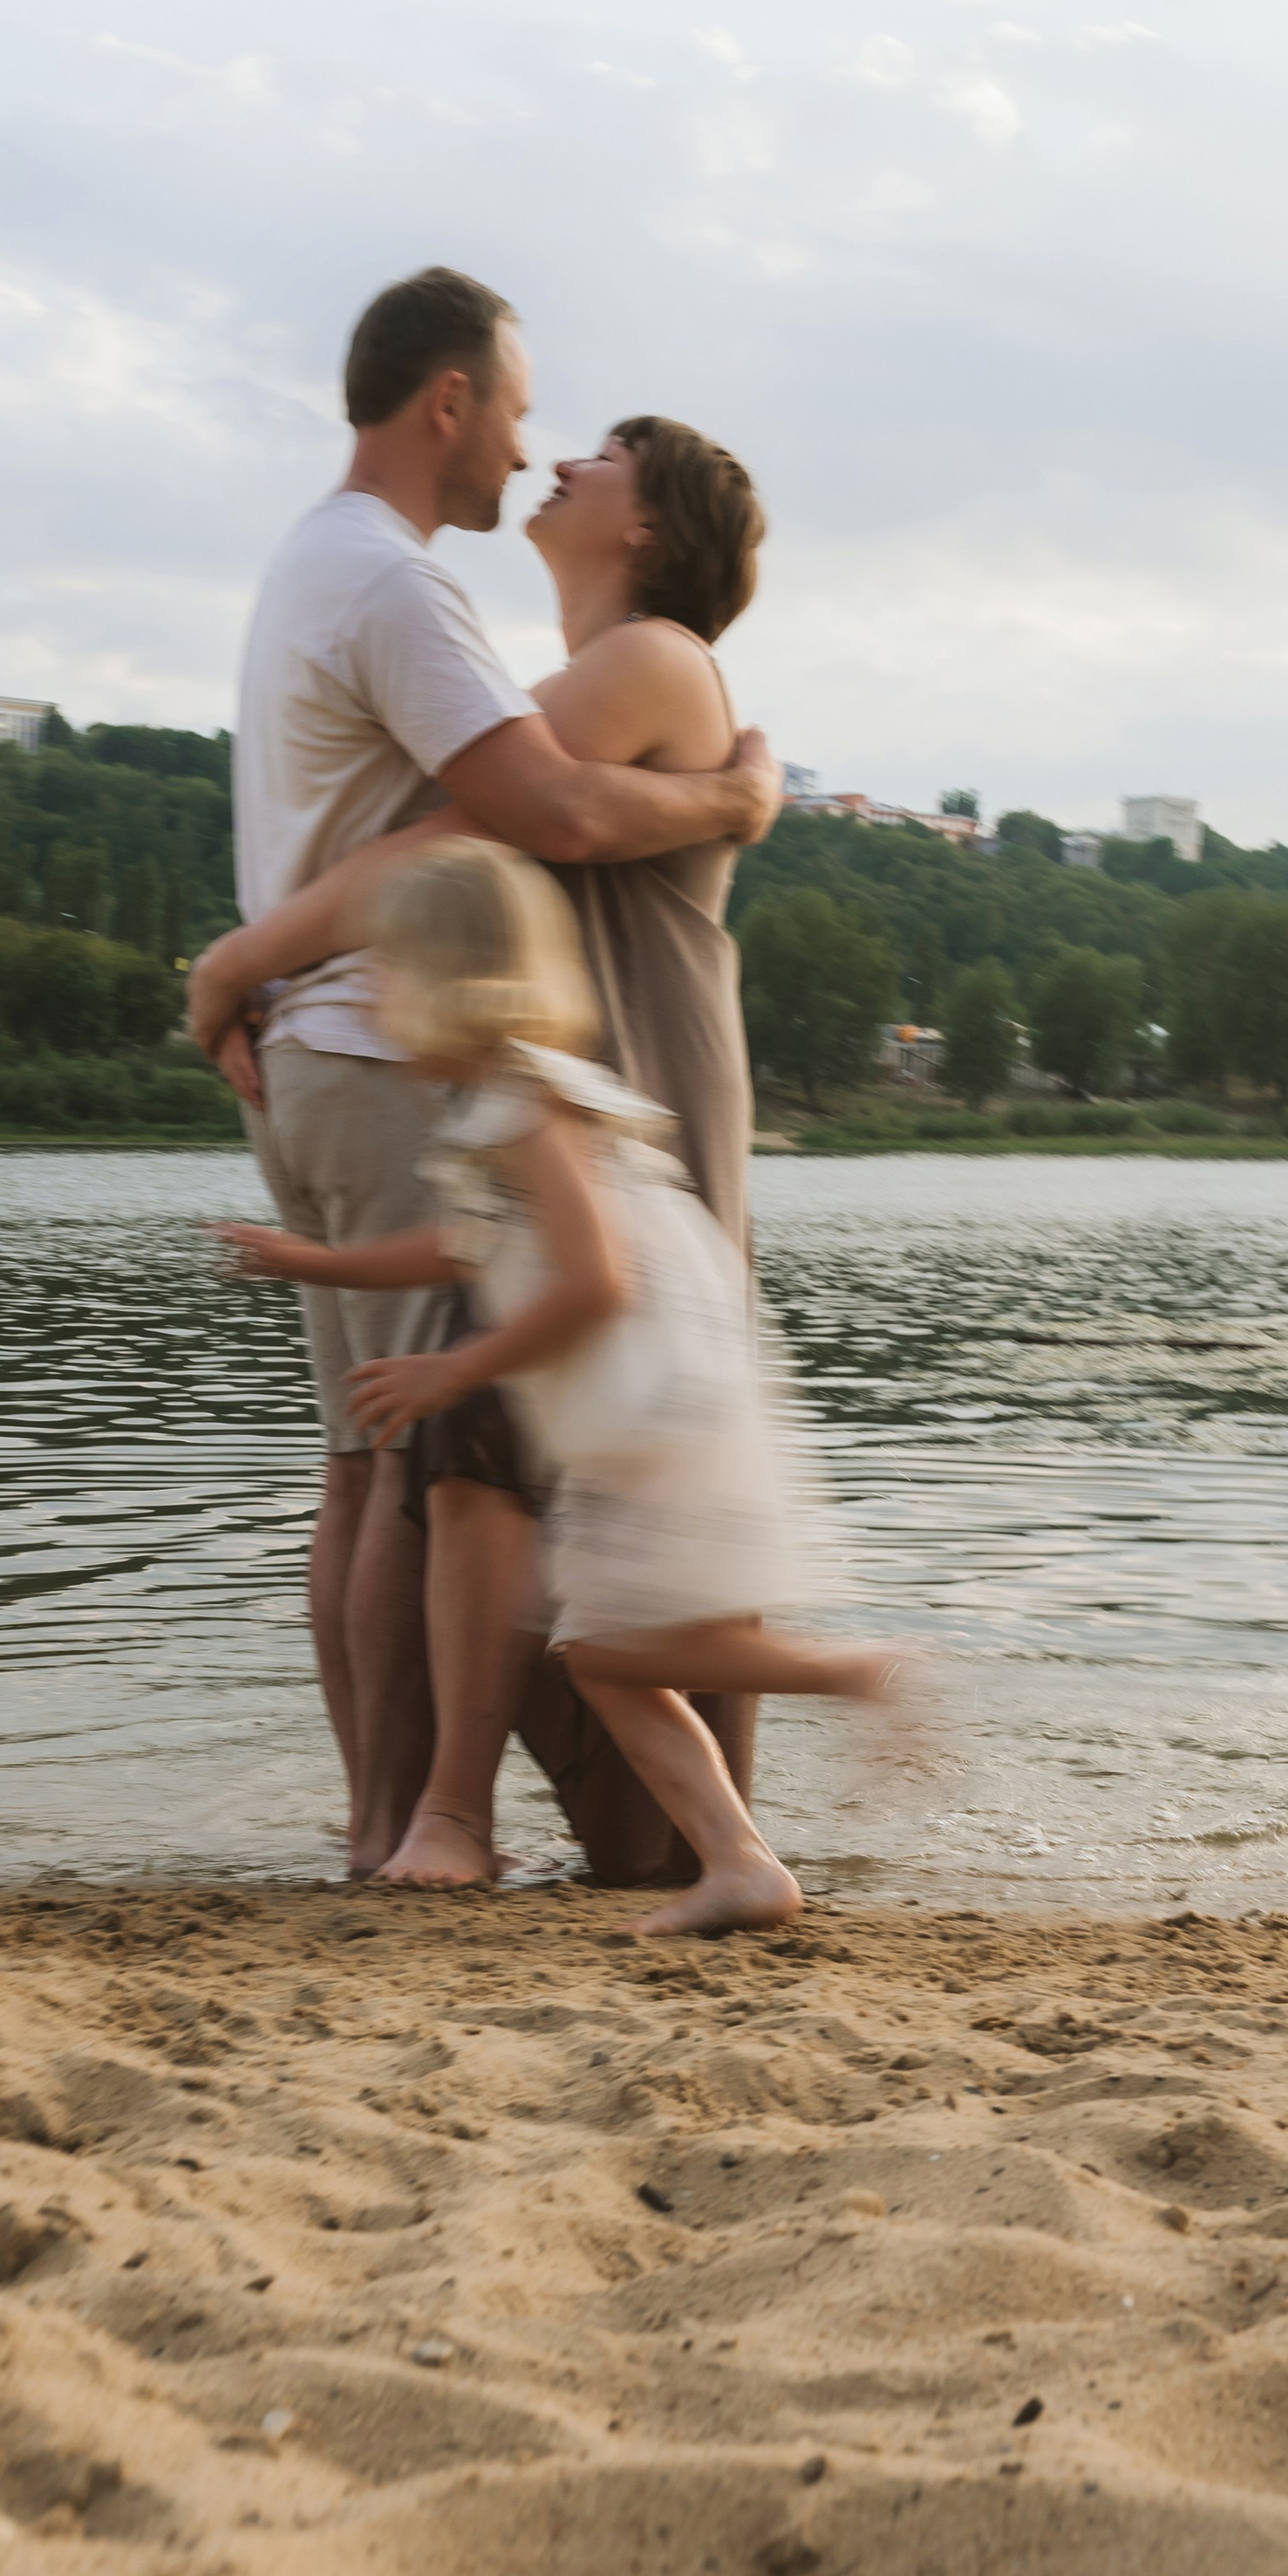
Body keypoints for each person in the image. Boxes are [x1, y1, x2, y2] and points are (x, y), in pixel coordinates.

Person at [223, 269, 782, 1882]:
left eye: (601, 452)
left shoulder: (658, 659)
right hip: (570, 1111)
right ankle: (518, 1826)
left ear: (652, 530)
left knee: (511, 1460)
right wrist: (741, 801)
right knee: (511, 1464)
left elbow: (476, 824)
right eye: (546, 420)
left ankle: (452, 1826)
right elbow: (524, 812)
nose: (557, 458)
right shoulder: (560, 657)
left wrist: (240, 956)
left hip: (638, 1101)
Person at [221, 841, 906, 1934]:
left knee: (618, 1649)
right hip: (652, 1408)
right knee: (608, 1659)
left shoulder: (521, 1105)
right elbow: (462, 1247)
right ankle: (740, 1863)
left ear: (450, 976)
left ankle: (857, 1675)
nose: (372, 993)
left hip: (650, 1415)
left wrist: (458, 1366)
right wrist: (314, 1261)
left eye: (382, 968)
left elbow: (595, 1277)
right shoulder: (516, 1095)